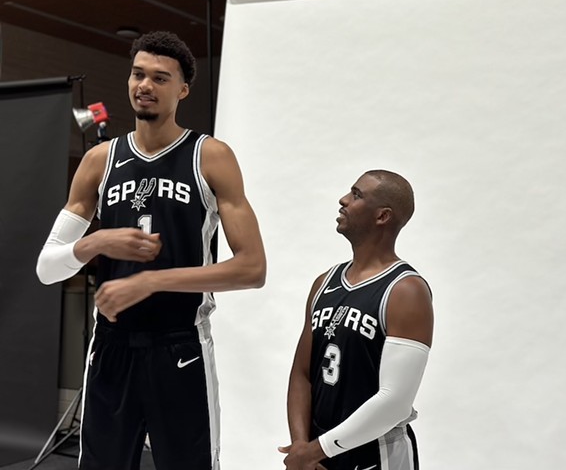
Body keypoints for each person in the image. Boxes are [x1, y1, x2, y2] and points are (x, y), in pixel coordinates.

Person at [36, 31, 266, 470]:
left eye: (160, 78)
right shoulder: (100, 160)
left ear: (183, 90)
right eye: (138, 74)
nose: (145, 85)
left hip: (179, 346)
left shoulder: (210, 156)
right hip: (111, 347)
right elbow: (47, 268)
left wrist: (151, 280)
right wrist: (98, 241)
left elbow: (252, 268)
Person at [278, 170, 433, 470]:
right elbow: (302, 373)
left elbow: (394, 401)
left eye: (357, 195)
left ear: (382, 216)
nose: (343, 200)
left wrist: (313, 452)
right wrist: (300, 445)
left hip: (376, 456)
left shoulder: (406, 291)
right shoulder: (325, 282)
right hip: (317, 456)